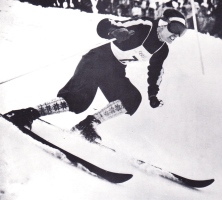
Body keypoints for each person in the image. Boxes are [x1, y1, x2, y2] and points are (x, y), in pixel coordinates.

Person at [3, 9, 187, 142]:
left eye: (182, 32)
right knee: (78, 101)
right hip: (97, 59)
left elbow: (155, 73)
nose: (176, 35)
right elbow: (106, 24)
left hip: (114, 69)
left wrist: (153, 95)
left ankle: (87, 126)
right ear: (163, 22)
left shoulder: (162, 50)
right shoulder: (145, 26)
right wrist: (114, 31)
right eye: (176, 27)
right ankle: (26, 114)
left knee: (131, 98)